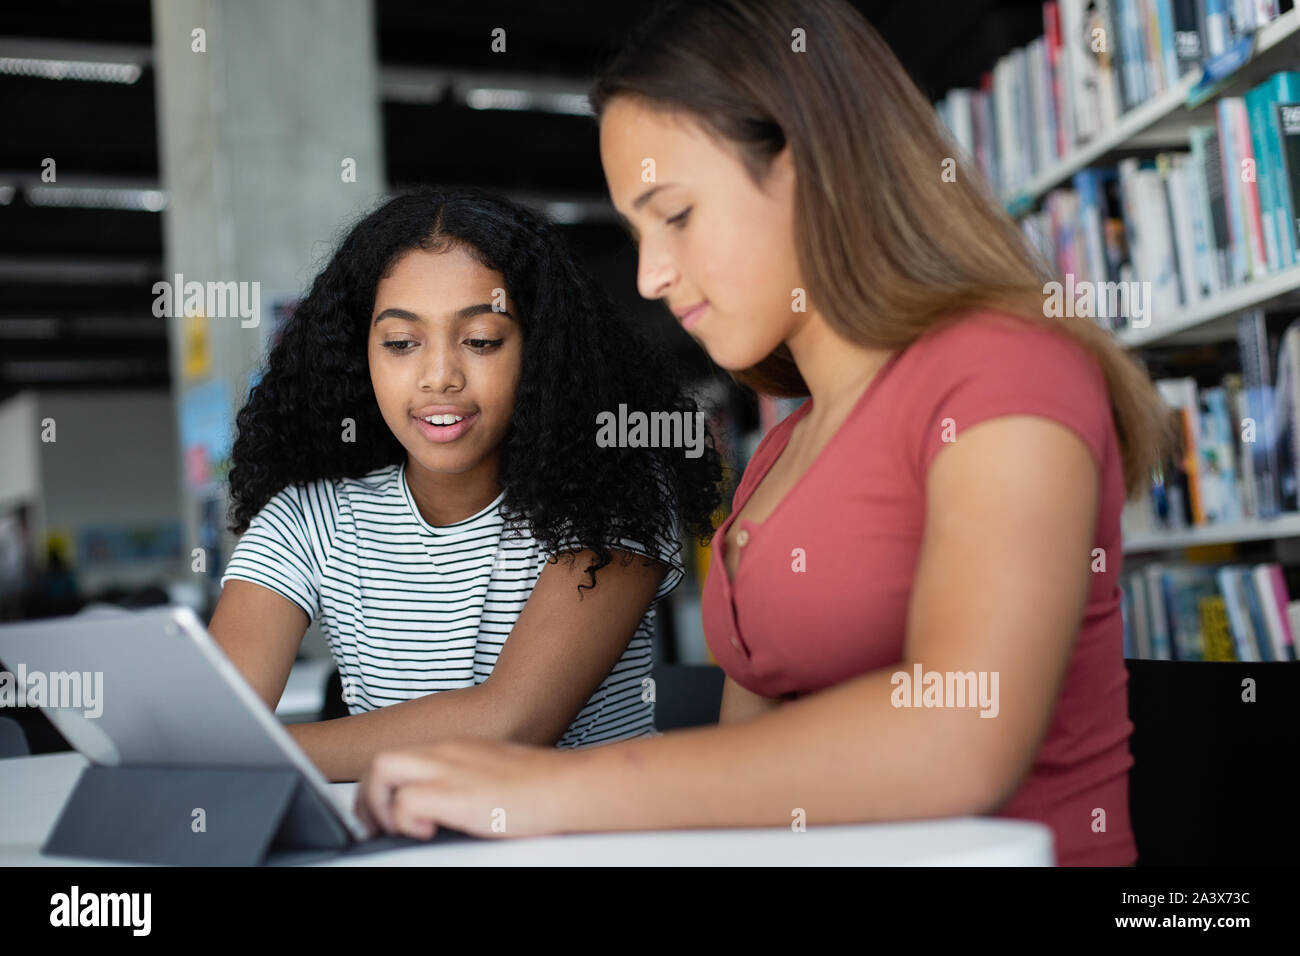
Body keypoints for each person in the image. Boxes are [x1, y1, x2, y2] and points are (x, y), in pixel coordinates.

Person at [353, 0, 1176, 866]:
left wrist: (548, 790)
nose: (650, 274)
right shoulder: (781, 452)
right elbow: (750, 778)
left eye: (674, 215)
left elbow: (958, 728)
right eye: (637, 232)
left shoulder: (1008, 369)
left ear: (815, 165)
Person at [209, 186, 723, 782]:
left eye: (480, 341)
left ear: (542, 351)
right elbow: (215, 726)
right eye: (401, 344)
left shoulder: (614, 492)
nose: (439, 378)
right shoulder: (306, 518)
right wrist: (225, 751)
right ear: (361, 355)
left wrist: (254, 757)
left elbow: (511, 724)